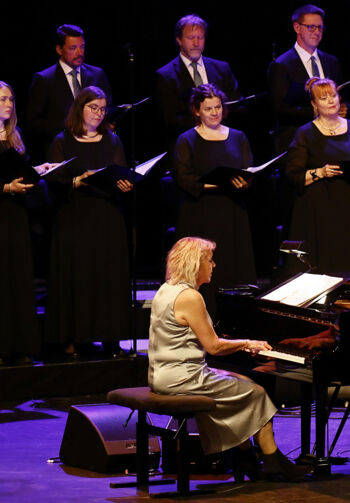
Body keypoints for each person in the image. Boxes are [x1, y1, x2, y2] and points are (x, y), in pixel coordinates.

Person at [148, 237, 309, 482]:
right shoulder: (190, 297)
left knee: (240, 382)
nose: (214, 265)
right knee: (256, 393)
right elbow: (213, 346)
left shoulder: (166, 289)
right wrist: (247, 342)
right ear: (195, 264)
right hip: (182, 378)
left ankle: (245, 456)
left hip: (163, 375)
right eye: (209, 260)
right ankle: (272, 458)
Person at [45, 86, 131, 360]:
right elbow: (54, 179)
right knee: (77, 275)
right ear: (79, 108)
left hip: (107, 215)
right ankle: (71, 339)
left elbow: (120, 173)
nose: (98, 113)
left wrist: (126, 184)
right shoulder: (62, 140)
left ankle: (110, 338)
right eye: (93, 107)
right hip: (74, 216)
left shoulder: (112, 140)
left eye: (102, 108)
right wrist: (78, 179)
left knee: (108, 275)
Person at [283, 78, 350, 274]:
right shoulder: (305, 133)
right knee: (326, 262)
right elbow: (294, 175)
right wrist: (321, 172)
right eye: (324, 98)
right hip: (320, 207)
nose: (331, 101)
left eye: (333, 96)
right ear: (314, 104)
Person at [172, 84, 256, 287]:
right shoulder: (187, 139)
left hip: (232, 211)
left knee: (232, 265)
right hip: (201, 212)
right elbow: (183, 178)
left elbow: (248, 170)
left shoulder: (238, 137)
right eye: (208, 108)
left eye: (217, 107)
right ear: (197, 111)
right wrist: (213, 185)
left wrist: (245, 181)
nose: (214, 112)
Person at [0, 82, 52, 365]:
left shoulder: (14, 136)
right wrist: (5, 187)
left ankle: (19, 345)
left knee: (17, 277)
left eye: (11, 98)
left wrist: (38, 171)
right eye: (3, 99)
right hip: (2, 210)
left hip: (16, 215)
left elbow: (20, 172)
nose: (8, 104)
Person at [26, 24, 112, 157]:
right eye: (73, 48)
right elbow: (33, 123)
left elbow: (108, 109)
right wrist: (70, 127)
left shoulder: (97, 75)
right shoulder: (44, 79)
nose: (80, 53)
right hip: (62, 152)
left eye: (82, 47)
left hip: (96, 149)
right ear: (59, 49)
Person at [269, 4, 342, 152]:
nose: (317, 32)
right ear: (297, 28)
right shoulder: (281, 65)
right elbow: (279, 109)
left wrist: (342, 107)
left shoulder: (331, 61)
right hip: (298, 143)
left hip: (331, 141)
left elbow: (341, 96)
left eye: (320, 28)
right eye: (311, 27)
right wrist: (317, 112)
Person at [155, 15, 241, 139]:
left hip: (223, 141)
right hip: (189, 145)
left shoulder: (222, 68)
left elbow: (236, 104)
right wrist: (206, 123)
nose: (196, 43)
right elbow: (169, 118)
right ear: (179, 40)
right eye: (190, 38)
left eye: (200, 37)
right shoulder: (166, 76)